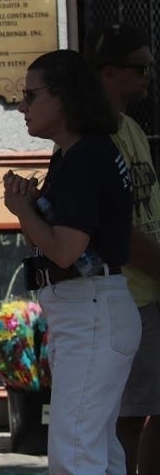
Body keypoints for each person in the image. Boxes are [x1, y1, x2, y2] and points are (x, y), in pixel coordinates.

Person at [4, 48, 140, 475]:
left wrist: (23, 211)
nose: (23, 106)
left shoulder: (87, 157)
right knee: (95, 449)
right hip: (88, 309)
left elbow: (66, 250)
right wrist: (33, 207)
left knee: (75, 453)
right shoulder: (72, 155)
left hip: (92, 309)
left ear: (63, 97)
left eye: (31, 95)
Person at [88, 24, 160, 475]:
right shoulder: (100, 136)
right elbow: (118, 228)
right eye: (141, 68)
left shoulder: (130, 125)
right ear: (110, 72)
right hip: (130, 293)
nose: (149, 75)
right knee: (128, 418)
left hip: (148, 290)